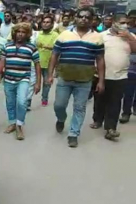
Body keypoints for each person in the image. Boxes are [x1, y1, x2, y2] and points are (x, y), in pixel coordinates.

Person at [48, 7, 105, 148]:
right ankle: (61, 119)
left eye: (87, 17)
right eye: (81, 16)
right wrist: (49, 74)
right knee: (59, 105)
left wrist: (101, 81)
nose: (84, 19)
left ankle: (73, 134)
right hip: (64, 78)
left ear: (92, 21)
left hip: (85, 80)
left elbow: (100, 60)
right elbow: (54, 55)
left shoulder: (97, 38)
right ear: (76, 18)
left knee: (79, 108)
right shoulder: (64, 35)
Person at [90, 13, 136, 141]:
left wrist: (129, 37)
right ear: (114, 22)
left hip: (120, 75)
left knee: (115, 102)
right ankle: (98, 119)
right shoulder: (102, 36)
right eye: (121, 22)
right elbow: (94, 53)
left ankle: (111, 128)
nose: (125, 25)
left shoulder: (130, 36)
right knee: (100, 99)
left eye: (126, 23)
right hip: (101, 75)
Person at [0, 23, 41, 140]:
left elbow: (37, 65)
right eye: (18, 32)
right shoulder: (7, 46)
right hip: (8, 79)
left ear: (27, 34)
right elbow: (2, 61)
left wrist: (38, 82)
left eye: (23, 32)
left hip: (23, 79)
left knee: (22, 102)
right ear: (14, 33)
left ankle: (19, 125)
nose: (20, 34)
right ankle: (12, 122)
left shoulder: (31, 47)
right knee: (10, 103)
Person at [36, 15, 59, 107]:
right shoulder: (37, 34)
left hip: (49, 63)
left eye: (48, 22)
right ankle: (28, 101)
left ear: (52, 24)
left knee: (46, 82)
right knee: (32, 82)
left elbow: (58, 48)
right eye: (44, 22)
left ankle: (44, 98)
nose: (45, 24)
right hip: (36, 62)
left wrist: (46, 46)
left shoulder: (55, 35)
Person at [120, 10, 136, 123]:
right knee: (128, 91)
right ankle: (126, 112)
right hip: (130, 65)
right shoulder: (124, 31)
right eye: (131, 17)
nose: (133, 20)